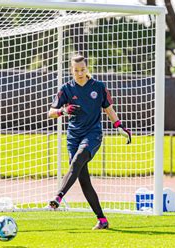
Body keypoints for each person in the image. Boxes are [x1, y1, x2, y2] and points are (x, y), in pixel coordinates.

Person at [47, 54, 131, 230]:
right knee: (84, 180)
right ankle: (102, 220)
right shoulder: (66, 89)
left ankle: (58, 196)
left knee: (78, 160)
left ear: (87, 68)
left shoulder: (98, 87)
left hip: (92, 135)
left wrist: (119, 126)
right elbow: (51, 113)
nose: (79, 73)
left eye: (82, 69)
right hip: (73, 137)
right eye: (76, 70)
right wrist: (64, 110)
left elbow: (108, 108)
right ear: (71, 70)